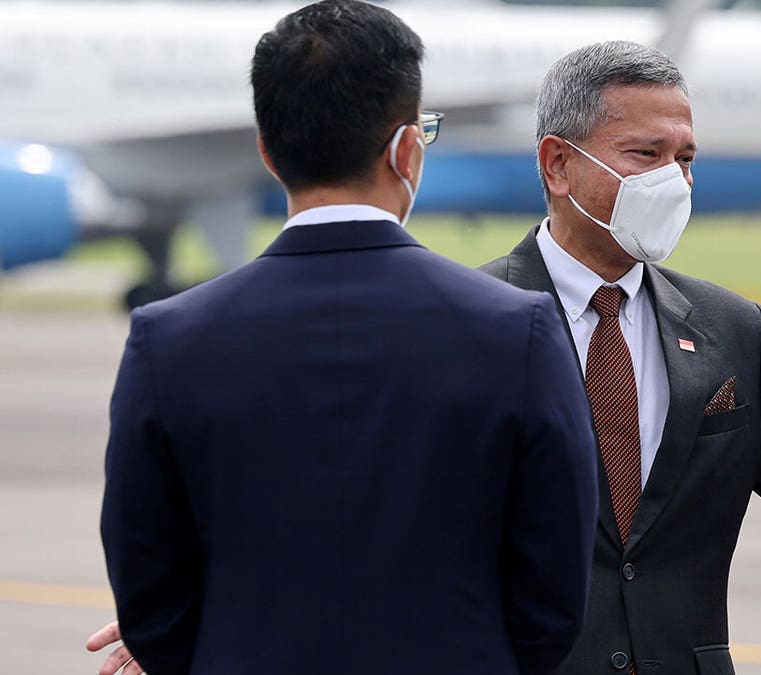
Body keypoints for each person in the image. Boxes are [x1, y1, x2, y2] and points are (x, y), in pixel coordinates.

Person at [90, 39, 761, 675]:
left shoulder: (728, 328)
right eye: (645, 153)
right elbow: (365, 501)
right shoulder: (468, 322)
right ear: (558, 166)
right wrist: (208, 612)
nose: (676, 175)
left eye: (688, 153)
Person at [96, 2, 597, 674]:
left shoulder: (168, 338)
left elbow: (150, 596)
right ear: (406, 150)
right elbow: (554, 595)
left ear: (269, 155)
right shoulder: (521, 329)